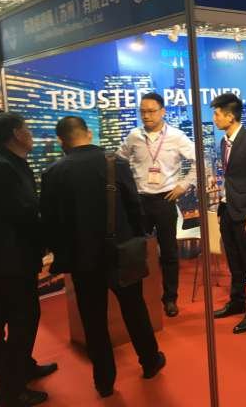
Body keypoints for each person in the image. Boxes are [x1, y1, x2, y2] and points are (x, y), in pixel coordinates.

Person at [40, 116, 165, 398]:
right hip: (121, 251)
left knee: (93, 320)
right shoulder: (114, 163)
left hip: (81, 259)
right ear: (88, 133)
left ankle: (104, 381)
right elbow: (134, 206)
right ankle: (150, 361)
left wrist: (59, 252)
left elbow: (49, 222)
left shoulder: (53, 173)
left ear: (61, 141)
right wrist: (141, 237)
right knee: (134, 308)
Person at [0, 113, 57, 407]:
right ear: (15, 134)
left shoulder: (10, 163)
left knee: (22, 319)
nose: (31, 133)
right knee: (23, 321)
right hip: (6, 263)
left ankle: (24, 367)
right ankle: (10, 392)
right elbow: (23, 213)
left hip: (12, 258)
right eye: (26, 129)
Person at [117, 92, 195, 317]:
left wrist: (184, 185)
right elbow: (119, 160)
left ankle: (170, 298)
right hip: (139, 201)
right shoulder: (134, 136)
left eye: (151, 111)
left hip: (164, 200)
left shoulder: (177, 137)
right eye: (142, 111)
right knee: (136, 252)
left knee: (169, 253)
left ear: (163, 112)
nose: (146, 116)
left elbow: (199, 160)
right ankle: (139, 298)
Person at [211, 93, 246, 334]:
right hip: (228, 209)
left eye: (217, 114)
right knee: (234, 261)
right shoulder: (224, 141)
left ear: (230, 116)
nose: (214, 118)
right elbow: (232, 177)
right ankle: (237, 302)